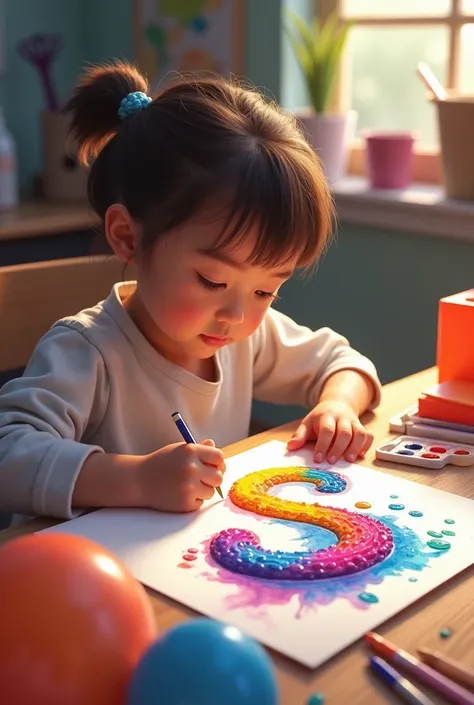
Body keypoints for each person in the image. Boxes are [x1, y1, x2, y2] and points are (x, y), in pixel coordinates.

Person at [0, 61, 381, 523]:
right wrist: (137, 479)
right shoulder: (88, 352)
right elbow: (9, 456)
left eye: (266, 291)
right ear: (128, 238)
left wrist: (337, 404)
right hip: (77, 581)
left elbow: (342, 363)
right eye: (212, 282)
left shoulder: (243, 339)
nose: (237, 315)